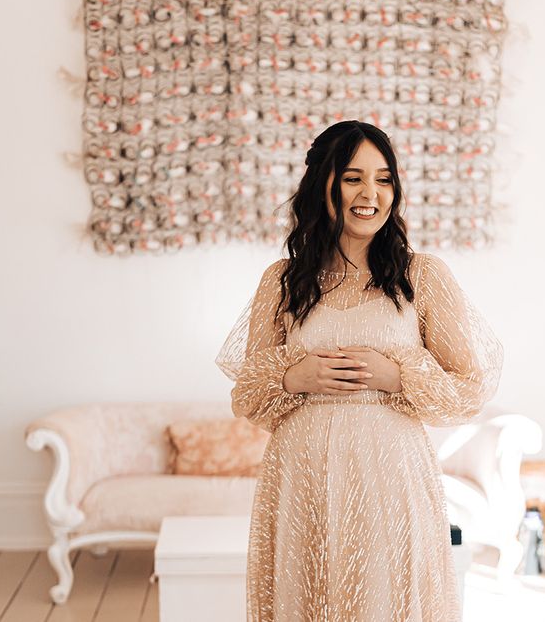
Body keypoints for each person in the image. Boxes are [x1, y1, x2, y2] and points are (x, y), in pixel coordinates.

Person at [215, 120, 503, 621]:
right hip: (300, 475)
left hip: (390, 475)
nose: (371, 194)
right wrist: (292, 378)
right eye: (353, 178)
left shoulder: (422, 276)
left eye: (384, 178)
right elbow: (247, 397)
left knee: (383, 599)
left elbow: (469, 390)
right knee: (305, 599)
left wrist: (397, 376)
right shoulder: (282, 282)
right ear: (322, 183)